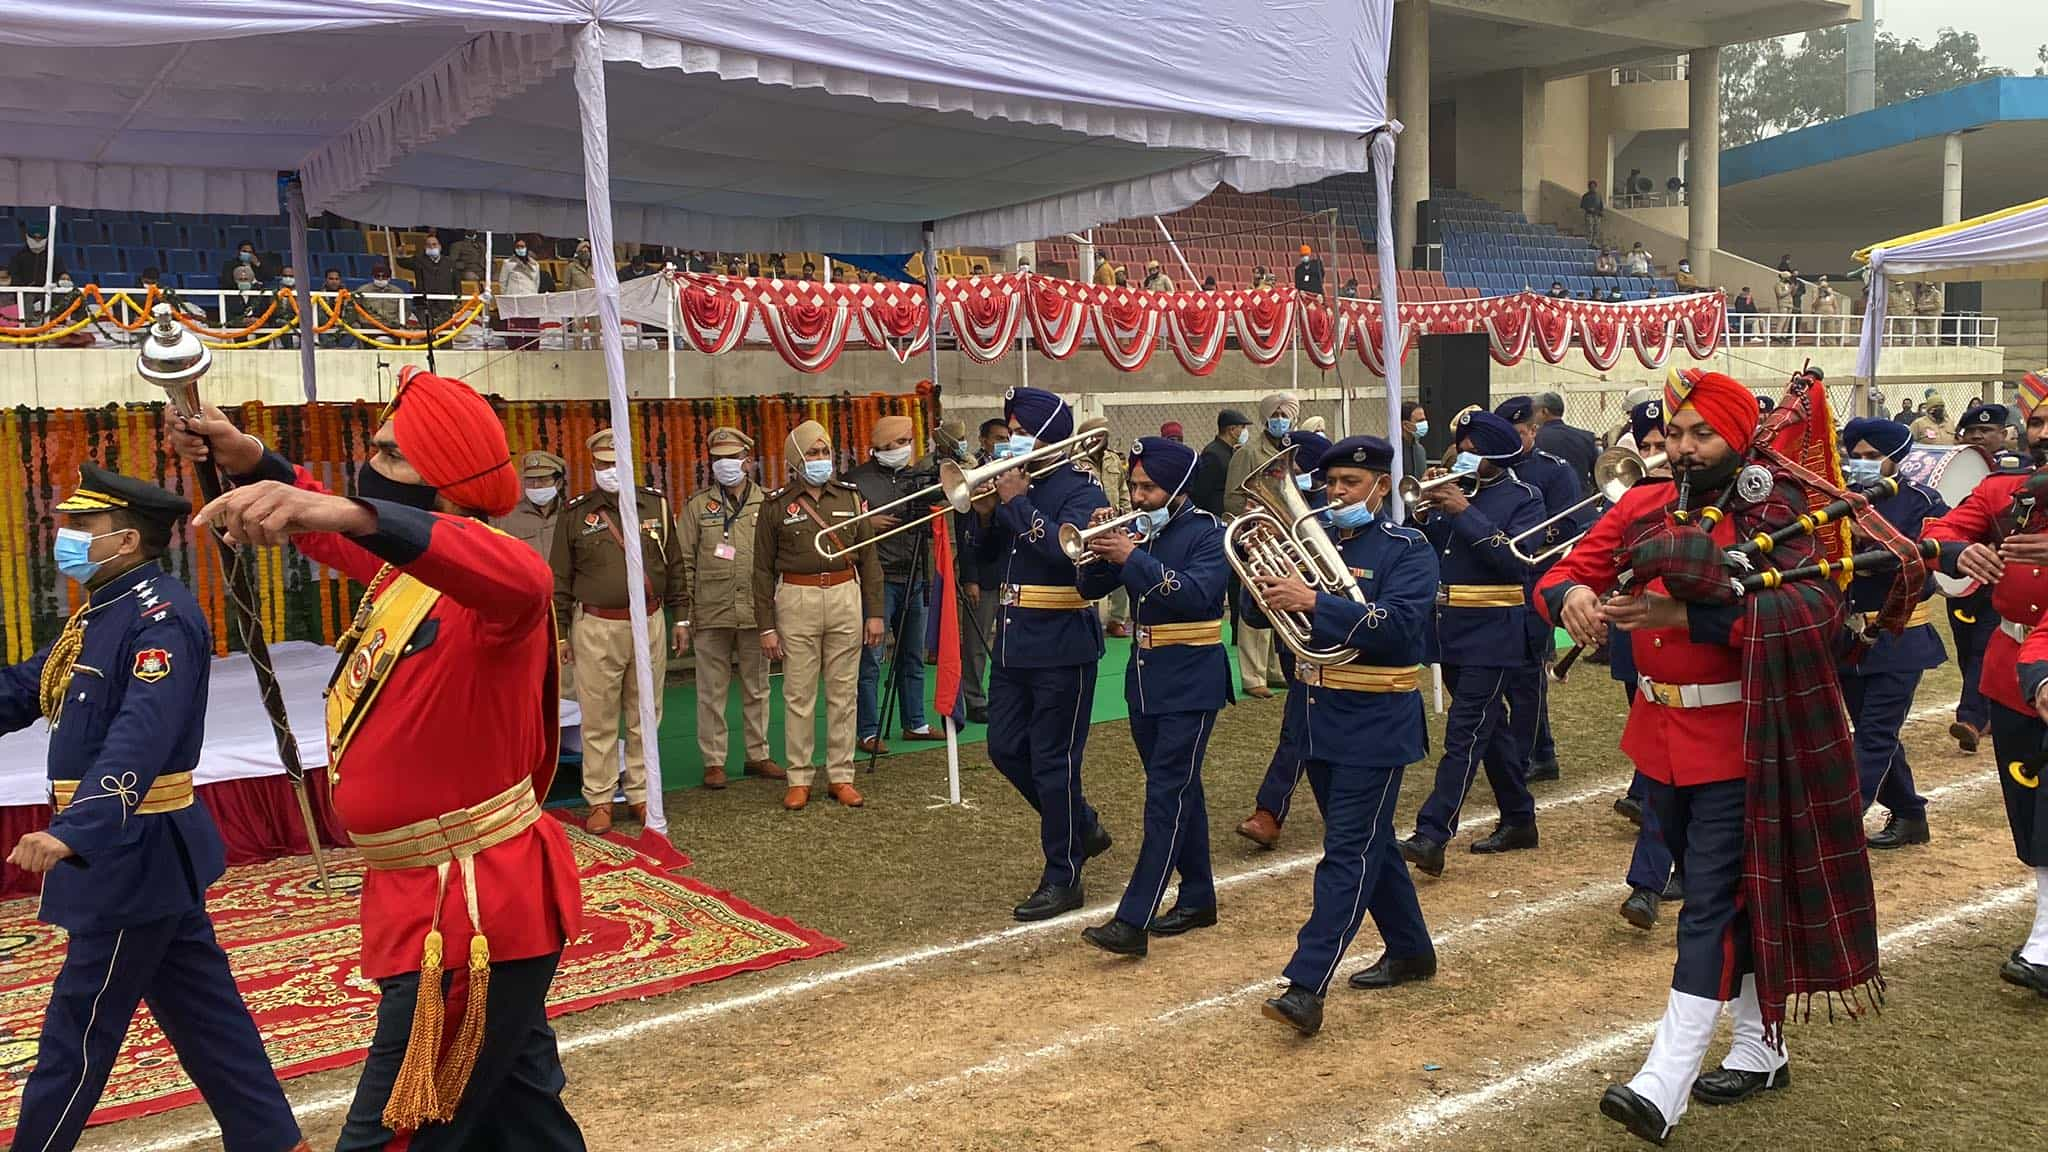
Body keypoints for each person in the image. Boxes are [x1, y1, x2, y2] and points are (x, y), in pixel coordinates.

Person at [170, 368, 585, 1149]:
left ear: (452, 486)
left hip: (469, 911)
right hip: (426, 898)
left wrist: (353, 509)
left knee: (395, 1134)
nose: (371, 468)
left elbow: (519, 573)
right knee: (521, 1120)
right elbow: (328, 530)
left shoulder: (495, 585)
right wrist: (246, 453)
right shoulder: (408, 577)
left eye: (393, 458)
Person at [1541, 369, 1880, 1147]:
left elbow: (1816, 616)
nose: (1685, 450)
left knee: (1710, 908)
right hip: (1658, 740)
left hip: (1744, 739)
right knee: (1728, 897)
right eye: (1676, 435)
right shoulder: (1642, 504)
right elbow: (1562, 571)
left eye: (1702, 435)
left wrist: (1684, 616)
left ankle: (1665, 1082)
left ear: (1739, 438)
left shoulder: (1783, 516)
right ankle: (1762, 1049)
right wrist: (1571, 600)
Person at [0, 465, 308, 1152]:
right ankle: (273, 1142)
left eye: (83, 527)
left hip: (129, 850)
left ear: (129, 540)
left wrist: (75, 830)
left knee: (78, 1030)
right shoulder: (104, 611)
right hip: (143, 853)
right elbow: (30, 686)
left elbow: (144, 731)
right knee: (206, 1016)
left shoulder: (161, 616)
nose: (66, 536)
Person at [1251, 435, 1439, 1035]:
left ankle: (1306, 983)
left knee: (1347, 852)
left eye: (1350, 485)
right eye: (1329, 484)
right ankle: (1411, 949)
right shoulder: (1315, 541)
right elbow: (1264, 615)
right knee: (1369, 843)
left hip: (1377, 720)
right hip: (1319, 717)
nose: (1335, 494)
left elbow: (1399, 626)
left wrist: (1314, 599)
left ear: (1380, 487)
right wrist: (1265, 586)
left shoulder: (1408, 548)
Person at [1074, 436, 1230, 955]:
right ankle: (1199, 895)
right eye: (1134, 486)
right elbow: (1089, 590)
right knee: (1182, 789)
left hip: (1192, 680)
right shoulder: (1137, 530)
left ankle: (1133, 919)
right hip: (1143, 681)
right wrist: (1101, 548)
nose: (1137, 497)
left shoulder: (1208, 533)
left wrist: (1132, 557)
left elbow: (1195, 596)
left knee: (1166, 795)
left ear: (1178, 488)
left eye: (1148, 488)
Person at [963, 386, 1113, 920]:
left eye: (1020, 433)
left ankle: (1063, 875)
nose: (1011, 443)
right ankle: (1082, 825)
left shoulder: (1080, 488)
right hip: (1014, 639)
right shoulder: (1009, 490)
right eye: (1008, 433)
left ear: (1046, 436)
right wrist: (981, 514)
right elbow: (983, 560)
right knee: (1004, 749)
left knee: (1054, 761)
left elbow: (1061, 553)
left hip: (1062, 641)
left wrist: (1014, 503)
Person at [1927, 368, 2048, 997]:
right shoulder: (2009, 492)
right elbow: (1940, 528)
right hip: (2011, 666)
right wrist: (1957, 553)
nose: (2042, 435)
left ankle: (2045, 943)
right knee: (2029, 809)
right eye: (2037, 423)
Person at [1399, 412, 1546, 876]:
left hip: (1495, 631)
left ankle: (1433, 831)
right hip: (1450, 630)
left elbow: (1515, 562)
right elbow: (1428, 552)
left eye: (1471, 449)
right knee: (1490, 729)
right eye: (1460, 447)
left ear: (1495, 455)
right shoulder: (1452, 495)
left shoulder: (1524, 497)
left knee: (1464, 731)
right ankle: (1520, 818)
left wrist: (1463, 510)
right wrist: (1422, 515)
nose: (1461, 455)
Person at [552, 428, 686, 833]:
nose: (611, 470)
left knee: (646, 714)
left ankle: (642, 794)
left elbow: (675, 564)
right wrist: (560, 632)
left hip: (649, 621)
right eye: (603, 464)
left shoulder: (655, 506)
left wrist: (680, 618)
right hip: (597, 625)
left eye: (617, 462)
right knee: (598, 717)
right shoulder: (576, 513)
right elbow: (558, 577)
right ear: (593, 466)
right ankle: (600, 798)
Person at [755, 420, 886, 810]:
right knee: (799, 694)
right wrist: (766, 627)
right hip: (797, 597)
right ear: (796, 460)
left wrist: (874, 612)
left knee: (843, 693)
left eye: (824, 451)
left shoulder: (849, 496)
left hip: (846, 593)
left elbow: (870, 556)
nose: (820, 459)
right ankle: (799, 777)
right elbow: (761, 569)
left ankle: (841, 776)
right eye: (812, 453)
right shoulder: (776, 504)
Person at [1836, 418, 1945, 850]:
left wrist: (1869, 537)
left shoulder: (1921, 500)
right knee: (1870, 728)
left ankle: (1840, 823)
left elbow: (1922, 557)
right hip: (1848, 635)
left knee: (1875, 733)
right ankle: (1911, 815)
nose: (1861, 465)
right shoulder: (1837, 499)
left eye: (1872, 457)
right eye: (1855, 456)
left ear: (1894, 458)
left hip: (1899, 633)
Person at [1234, 430, 1332, 850]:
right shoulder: (1279, 533)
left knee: (1319, 737)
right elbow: (1256, 613)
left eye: (1287, 470)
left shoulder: (1328, 527)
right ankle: (1269, 812)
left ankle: (1272, 811)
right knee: (1298, 730)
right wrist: (1251, 561)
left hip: (1345, 648)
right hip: (1304, 653)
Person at [1607, 399, 1685, 930]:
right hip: (1651, 651)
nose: (1660, 456)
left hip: (1709, 661)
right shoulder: (1635, 501)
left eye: (1668, 445)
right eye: (1652, 447)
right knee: (1661, 776)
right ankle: (1647, 884)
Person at [678, 426, 782, 789]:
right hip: (711, 612)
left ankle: (758, 754)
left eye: (733, 458)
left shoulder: (768, 503)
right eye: (719, 459)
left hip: (756, 613)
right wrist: (686, 615)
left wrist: (775, 614)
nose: (726, 464)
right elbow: (684, 563)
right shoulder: (697, 507)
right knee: (711, 691)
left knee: (758, 687)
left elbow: (777, 563)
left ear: (747, 460)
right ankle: (714, 761)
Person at [1496, 396, 1585, 783]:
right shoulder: (1493, 468)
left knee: (1526, 671)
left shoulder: (1553, 471)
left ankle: (1527, 753)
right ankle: (1540, 751)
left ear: (1534, 430)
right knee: (1507, 671)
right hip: (1496, 581)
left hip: (1535, 577)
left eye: (1519, 433)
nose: (1513, 441)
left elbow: (1569, 524)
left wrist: (1521, 539)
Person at [845, 413, 946, 754]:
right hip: (878, 579)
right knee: (871, 658)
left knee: (912, 655)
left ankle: (915, 721)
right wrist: (866, 524)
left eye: (907, 443)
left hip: (915, 573)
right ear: (881, 445)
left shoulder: (918, 476)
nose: (905, 449)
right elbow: (841, 525)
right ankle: (868, 730)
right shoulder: (856, 481)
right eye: (899, 443)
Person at [1947, 402, 2014, 751]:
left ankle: (1970, 717)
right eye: (1971, 432)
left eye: (1986, 431)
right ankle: (1984, 707)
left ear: (2003, 434)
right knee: (1964, 646)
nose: (1977, 436)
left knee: (1982, 649)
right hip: (1960, 574)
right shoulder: (1957, 467)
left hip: (1997, 574)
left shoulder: (2018, 471)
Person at [1225, 393, 1301, 698]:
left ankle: (1272, 668)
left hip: (1285, 535)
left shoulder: (1292, 449)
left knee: (1278, 601)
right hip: (1256, 536)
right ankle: (1251, 674)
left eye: (1286, 414)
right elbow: (1232, 497)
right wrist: (1247, 526)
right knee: (1256, 601)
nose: (1281, 419)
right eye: (1276, 413)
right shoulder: (1248, 452)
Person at [952, 419, 1009, 725]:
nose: (1005, 442)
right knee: (976, 642)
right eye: (999, 438)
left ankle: (1006, 696)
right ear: (984, 440)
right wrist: (969, 577)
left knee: (1008, 639)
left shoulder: (1015, 469)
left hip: (1011, 570)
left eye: (1008, 437)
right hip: (984, 573)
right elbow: (964, 533)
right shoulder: (972, 476)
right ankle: (974, 699)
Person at [1076, 416, 1134, 639]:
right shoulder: (1075, 462)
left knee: (1120, 568)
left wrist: (1126, 516)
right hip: (1087, 527)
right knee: (1087, 571)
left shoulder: (1113, 460)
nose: (1101, 439)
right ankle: (1089, 615)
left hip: (1114, 524)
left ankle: (1117, 619)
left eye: (1103, 435)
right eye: (1096, 435)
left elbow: (1123, 490)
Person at [495, 450, 567, 559]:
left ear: (559, 483)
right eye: (530, 480)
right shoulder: (504, 518)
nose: (536, 485)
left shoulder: (572, 514)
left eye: (543, 479)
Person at [1191, 408, 1250, 518]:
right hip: (1216, 516)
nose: (1245, 431)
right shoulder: (1213, 455)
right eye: (1242, 427)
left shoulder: (1230, 451)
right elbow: (1201, 492)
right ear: (1231, 430)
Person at [1533, 390, 1599, 487]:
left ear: (1544, 411)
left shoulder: (1534, 438)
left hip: (1548, 499)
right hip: (1583, 500)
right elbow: (1597, 474)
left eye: (1534, 411)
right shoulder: (1586, 437)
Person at [398, 236, 462, 331]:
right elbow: (402, 262)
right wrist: (400, 254)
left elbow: (456, 282)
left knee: (446, 336)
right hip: (424, 305)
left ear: (440, 247)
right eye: (428, 245)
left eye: (434, 244)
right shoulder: (418, 260)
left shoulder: (450, 262)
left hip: (445, 306)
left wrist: (458, 299)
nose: (432, 247)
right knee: (427, 335)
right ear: (425, 248)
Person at [1401, 402, 1429, 479]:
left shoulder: (1420, 450)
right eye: (1420, 421)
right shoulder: (1389, 450)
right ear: (1405, 425)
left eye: (1424, 420)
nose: (1424, 424)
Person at [1581, 180, 1605, 245]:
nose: (1592, 188)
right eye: (1591, 187)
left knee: (1596, 229)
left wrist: (1601, 212)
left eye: (1594, 186)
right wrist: (1589, 209)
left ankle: (1594, 242)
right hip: (1589, 215)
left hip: (1597, 215)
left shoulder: (1598, 195)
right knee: (1589, 229)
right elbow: (1582, 205)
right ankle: (1588, 242)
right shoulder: (1585, 196)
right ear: (1589, 187)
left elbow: (1601, 205)